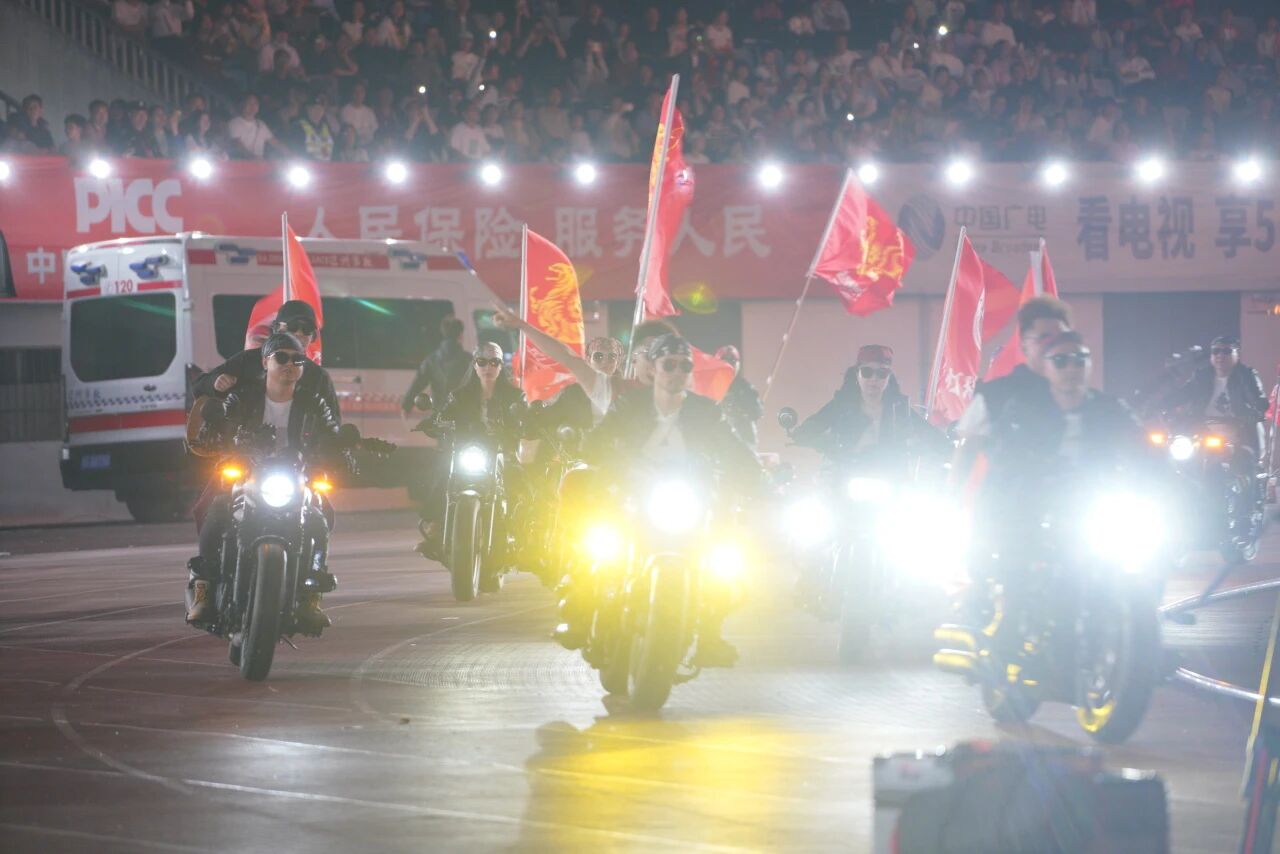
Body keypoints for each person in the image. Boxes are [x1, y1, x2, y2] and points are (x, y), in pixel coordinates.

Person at [576, 334, 763, 666]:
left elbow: (735, 449)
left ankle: (709, 637)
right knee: (597, 548)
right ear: (654, 368)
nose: (676, 372)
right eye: (669, 365)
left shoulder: (706, 412)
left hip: (690, 498)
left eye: (684, 366)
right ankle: (581, 617)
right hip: (634, 494)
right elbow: (597, 441)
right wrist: (597, 454)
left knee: (723, 563)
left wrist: (757, 477)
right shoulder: (628, 405)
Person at [185, 333, 340, 633]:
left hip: (294, 474)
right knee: (216, 511)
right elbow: (222, 419)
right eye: (281, 357)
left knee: (320, 518)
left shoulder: (313, 401)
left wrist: (342, 448)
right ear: (266, 361)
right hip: (247, 469)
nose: (289, 365)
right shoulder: (243, 396)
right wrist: (215, 432)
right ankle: (203, 591)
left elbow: (330, 431)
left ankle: (310, 598)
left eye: (297, 360)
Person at [415, 342, 527, 559]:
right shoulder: (460, 396)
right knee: (444, 472)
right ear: (474, 365)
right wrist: (433, 421)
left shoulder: (515, 396)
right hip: (469, 451)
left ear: (500, 366)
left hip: (501, 453)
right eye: (482, 362)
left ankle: (523, 535)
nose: (488, 367)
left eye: (494, 362)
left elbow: (524, 418)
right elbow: (444, 414)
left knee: (522, 484)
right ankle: (435, 528)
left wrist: (525, 422)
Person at [953, 296, 1072, 472]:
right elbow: (965, 457)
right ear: (1024, 344)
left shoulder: (1089, 400)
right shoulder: (992, 396)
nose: (1054, 346)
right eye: (1044, 338)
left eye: (1061, 338)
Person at [792, 344, 946, 463]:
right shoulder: (841, 405)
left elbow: (928, 434)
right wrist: (819, 441)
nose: (874, 379)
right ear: (857, 374)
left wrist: (949, 448)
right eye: (867, 372)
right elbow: (810, 428)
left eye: (882, 373)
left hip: (892, 478)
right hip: (844, 475)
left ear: (889, 377)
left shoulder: (900, 408)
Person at [194, 300, 339, 418]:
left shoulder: (319, 377)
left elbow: (332, 425)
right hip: (244, 443)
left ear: (312, 337)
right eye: (293, 326)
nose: (299, 333)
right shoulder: (248, 360)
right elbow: (198, 385)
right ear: (277, 329)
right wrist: (215, 382)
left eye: (307, 329)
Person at [490, 302, 623, 423]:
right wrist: (522, 326)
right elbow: (565, 355)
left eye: (611, 357)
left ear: (618, 362)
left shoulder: (627, 393)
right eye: (599, 356)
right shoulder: (572, 394)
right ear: (588, 360)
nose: (605, 361)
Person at [715, 345, 763, 449]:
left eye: (732, 362)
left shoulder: (745, 388)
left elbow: (757, 412)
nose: (728, 366)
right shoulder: (709, 387)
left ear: (738, 365)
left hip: (743, 439)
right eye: (724, 362)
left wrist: (744, 409)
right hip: (717, 442)